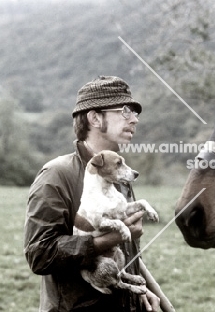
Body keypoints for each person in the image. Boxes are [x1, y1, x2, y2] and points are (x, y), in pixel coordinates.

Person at [24, 76, 161, 311]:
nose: (135, 119)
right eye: (125, 111)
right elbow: (39, 254)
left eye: (135, 113)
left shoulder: (118, 175)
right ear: (95, 117)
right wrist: (107, 239)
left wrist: (144, 293)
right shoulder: (56, 175)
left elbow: (123, 251)